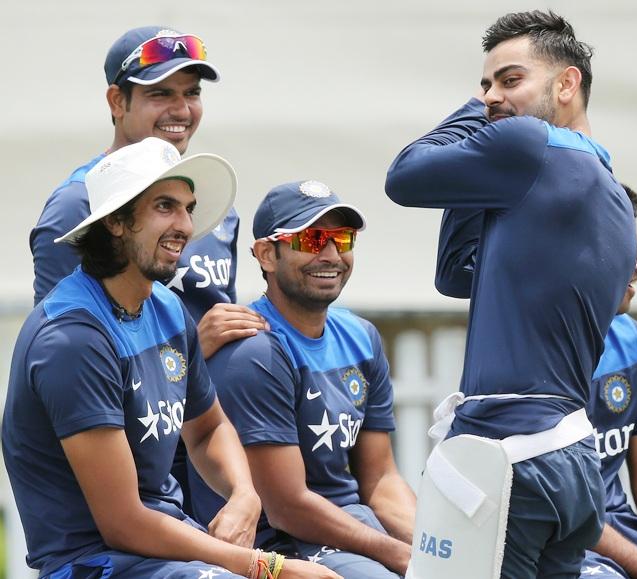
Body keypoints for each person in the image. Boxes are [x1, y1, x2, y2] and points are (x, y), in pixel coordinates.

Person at [2, 137, 339, 579]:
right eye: (165, 207)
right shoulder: (72, 339)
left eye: (188, 208)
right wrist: (268, 567)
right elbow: (123, 523)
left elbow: (207, 429)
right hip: (93, 563)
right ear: (117, 222)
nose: (185, 225)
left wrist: (243, 494)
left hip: (168, 551)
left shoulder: (165, 306)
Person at [385, 10, 637, 577]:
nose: (493, 96)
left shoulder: (529, 145)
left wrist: (476, 116)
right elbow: (455, 275)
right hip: (572, 465)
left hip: (506, 457)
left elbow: (403, 176)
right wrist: (474, 176)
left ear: (566, 83)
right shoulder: (614, 196)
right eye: (484, 84)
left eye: (509, 80)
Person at [29, 25, 268, 512]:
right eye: (160, 94)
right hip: (125, 457)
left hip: (205, 444)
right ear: (117, 102)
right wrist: (189, 351)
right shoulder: (79, 204)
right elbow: (64, 356)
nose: (181, 110)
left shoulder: (208, 199)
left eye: (192, 93)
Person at [189, 180, 416, 578]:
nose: (330, 254)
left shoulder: (361, 337)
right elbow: (286, 506)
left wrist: (429, 547)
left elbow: (381, 477)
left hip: (351, 528)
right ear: (266, 255)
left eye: (341, 239)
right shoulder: (254, 351)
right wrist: (398, 555)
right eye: (311, 240)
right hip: (278, 544)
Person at [580, 186, 637, 578]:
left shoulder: (633, 340)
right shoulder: (534, 351)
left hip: (623, 537)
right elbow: (564, 509)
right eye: (627, 247)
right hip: (560, 543)